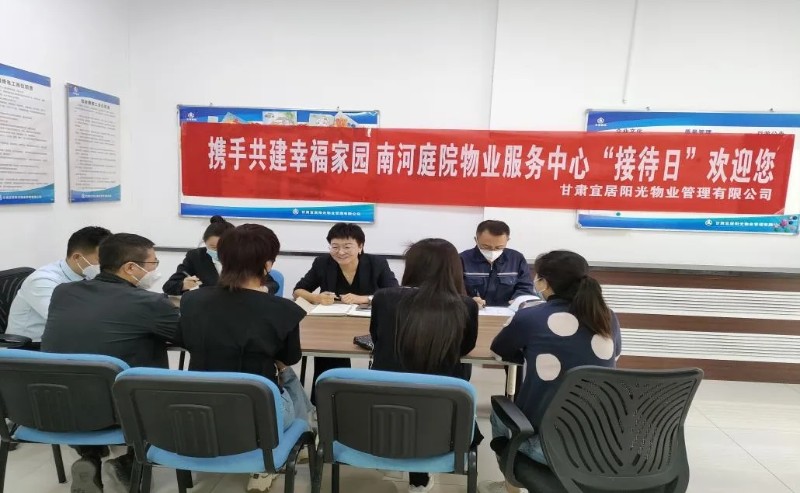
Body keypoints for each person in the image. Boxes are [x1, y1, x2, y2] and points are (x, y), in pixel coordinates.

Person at [176, 224, 312, 493]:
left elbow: (184, 339)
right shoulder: (283, 310)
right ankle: (289, 448)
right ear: (268, 264)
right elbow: (289, 357)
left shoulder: (191, 301)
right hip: (258, 417)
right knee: (287, 377)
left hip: (197, 412)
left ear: (221, 259)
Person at [41, 233, 179, 493]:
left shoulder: (63, 292)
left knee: (94, 372)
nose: (155, 269)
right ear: (130, 268)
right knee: (152, 373)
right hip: (121, 412)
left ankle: (90, 457)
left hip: (55, 405)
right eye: (153, 263)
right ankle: (129, 461)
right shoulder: (149, 302)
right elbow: (187, 335)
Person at [478, 250, 621, 493]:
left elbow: (499, 352)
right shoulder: (607, 317)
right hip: (600, 446)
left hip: (543, 446)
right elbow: (614, 356)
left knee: (499, 414)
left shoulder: (530, 316)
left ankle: (511, 487)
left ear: (543, 283)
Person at [369, 238, 480, 493]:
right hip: (443, 408)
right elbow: (464, 348)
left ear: (412, 266)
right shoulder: (465, 305)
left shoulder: (384, 298)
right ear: (454, 269)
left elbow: (376, 337)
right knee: (452, 371)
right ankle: (420, 475)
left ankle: (397, 458)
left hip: (384, 404)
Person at [293, 222, 398, 403]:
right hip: (333, 324)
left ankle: (371, 398)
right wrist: (317, 297)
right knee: (328, 352)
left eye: (347, 246)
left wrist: (365, 299)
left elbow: (394, 293)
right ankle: (328, 401)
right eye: (335, 247)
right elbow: (298, 291)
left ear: (360, 246)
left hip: (368, 323)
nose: (340, 252)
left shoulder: (377, 263)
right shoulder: (322, 263)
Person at [7, 226, 111, 346]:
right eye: (102, 259)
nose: (108, 263)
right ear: (77, 257)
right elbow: (66, 321)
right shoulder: (42, 281)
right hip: (31, 347)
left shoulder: (90, 274)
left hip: (68, 340)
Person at [162, 215, 280, 295]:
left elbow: (273, 284)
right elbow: (169, 286)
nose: (219, 252)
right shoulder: (195, 257)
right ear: (205, 242)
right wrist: (184, 285)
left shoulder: (243, 257)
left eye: (223, 248)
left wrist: (263, 289)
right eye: (213, 247)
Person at [460, 220, 534, 308]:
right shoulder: (461, 259)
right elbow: (453, 291)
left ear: (507, 240)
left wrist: (519, 300)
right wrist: (468, 301)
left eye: (499, 247)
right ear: (476, 240)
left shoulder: (516, 259)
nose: (492, 251)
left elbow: (525, 287)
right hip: (472, 311)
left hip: (508, 312)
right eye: (486, 246)